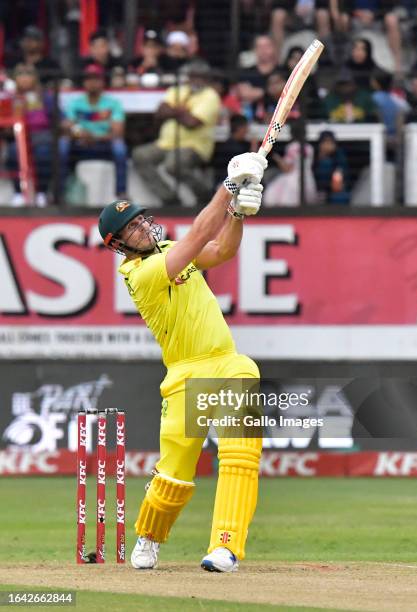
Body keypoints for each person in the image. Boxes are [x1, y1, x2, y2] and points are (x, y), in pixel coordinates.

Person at [98, 151, 267, 572]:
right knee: (175, 473)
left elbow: (221, 250)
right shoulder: (140, 274)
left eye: (141, 219)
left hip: (228, 364)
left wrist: (240, 215)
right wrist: (227, 192)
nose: (142, 226)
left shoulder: (171, 249)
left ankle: (225, 546)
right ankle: (150, 537)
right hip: (186, 373)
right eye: (132, 227)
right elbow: (196, 239)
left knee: (241, 455)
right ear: (118, 245)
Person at [132, 59, 221, 206]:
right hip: (165, 143)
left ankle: (204, 194)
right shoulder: (178, 90)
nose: (195, 80)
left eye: (200, 76)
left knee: (173, 164)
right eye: (193, 76)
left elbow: (191, 123)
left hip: (194, 146)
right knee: (140, 155)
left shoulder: (211, 96)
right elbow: (160, 112)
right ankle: (169, 198)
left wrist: (172, 112)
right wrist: (181, 112)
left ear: (206, 79)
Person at [59, 64, 127, 199]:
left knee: (120, 147)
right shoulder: (75, 102)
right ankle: (59, 190)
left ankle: (121, 192)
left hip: (103, 143)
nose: (92, 83)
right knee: (62, 144)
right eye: (89, 79)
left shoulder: (113, 103)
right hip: (81, 142)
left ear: (102, 82)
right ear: (84, 82)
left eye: (96, 79)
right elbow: (68, 126)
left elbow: (117, 131)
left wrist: (94, 137)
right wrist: (80, 134)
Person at [6, 64, 55, 206]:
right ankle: (18, 193)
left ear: (35, 78)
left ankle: (41, 193)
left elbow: (55, 117)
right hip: (17, 135)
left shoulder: (45, 95)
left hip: (42, 134)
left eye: (28, 75)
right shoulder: (10, 97)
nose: (25, 79)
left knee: (43, 152)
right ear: (15, 79)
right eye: (21, 75)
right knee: (13, 151)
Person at [313, 130, 350, 204]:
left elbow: (341, 176)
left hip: (334, 190)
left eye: (330, 142)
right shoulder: (313, 155)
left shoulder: (339, 155)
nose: (328, 145)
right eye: (325, 142)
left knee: (340, 197)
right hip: (316, 189)